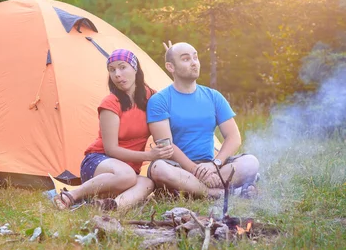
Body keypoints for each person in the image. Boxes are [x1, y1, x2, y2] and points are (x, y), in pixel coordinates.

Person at [53, 49, 174, 211]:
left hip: (127, 172)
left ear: (135, 68)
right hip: (99, 162)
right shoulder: (110, 104)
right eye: (112, 70)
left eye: (122, 67)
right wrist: (149, 156)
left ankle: (111, 206)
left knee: (147, 183)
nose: (117, 74)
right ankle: (71, 195)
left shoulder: (151, 98)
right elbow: (111, 149)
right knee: (127, 175)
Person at [146, 41, 259, 199]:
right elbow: (166, 145)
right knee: (158, 168)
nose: (193, 63)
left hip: (210, 165)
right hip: (177, 167)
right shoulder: (159, 100)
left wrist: (215, 164)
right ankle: (219, 193)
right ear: (170, 67)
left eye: (195, 58)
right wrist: (195, 170)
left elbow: (234, 137)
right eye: (186, 59)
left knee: (251, 162)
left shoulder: (213, 97)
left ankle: (191, 191)